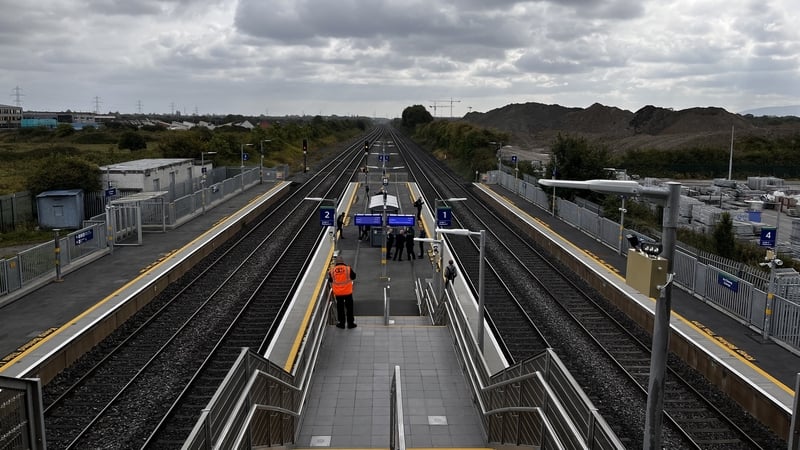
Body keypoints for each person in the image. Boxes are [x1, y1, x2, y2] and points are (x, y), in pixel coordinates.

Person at [329, 256, 357, 329]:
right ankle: (350, 324)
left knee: (340, 308)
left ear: (336, 262)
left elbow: (330, 280)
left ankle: (342, 324)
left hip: (338, 293)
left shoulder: (332, 271)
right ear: (343, 262)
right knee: (349, 308)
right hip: (348, 292)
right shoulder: (348, 269)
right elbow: (354, 277)